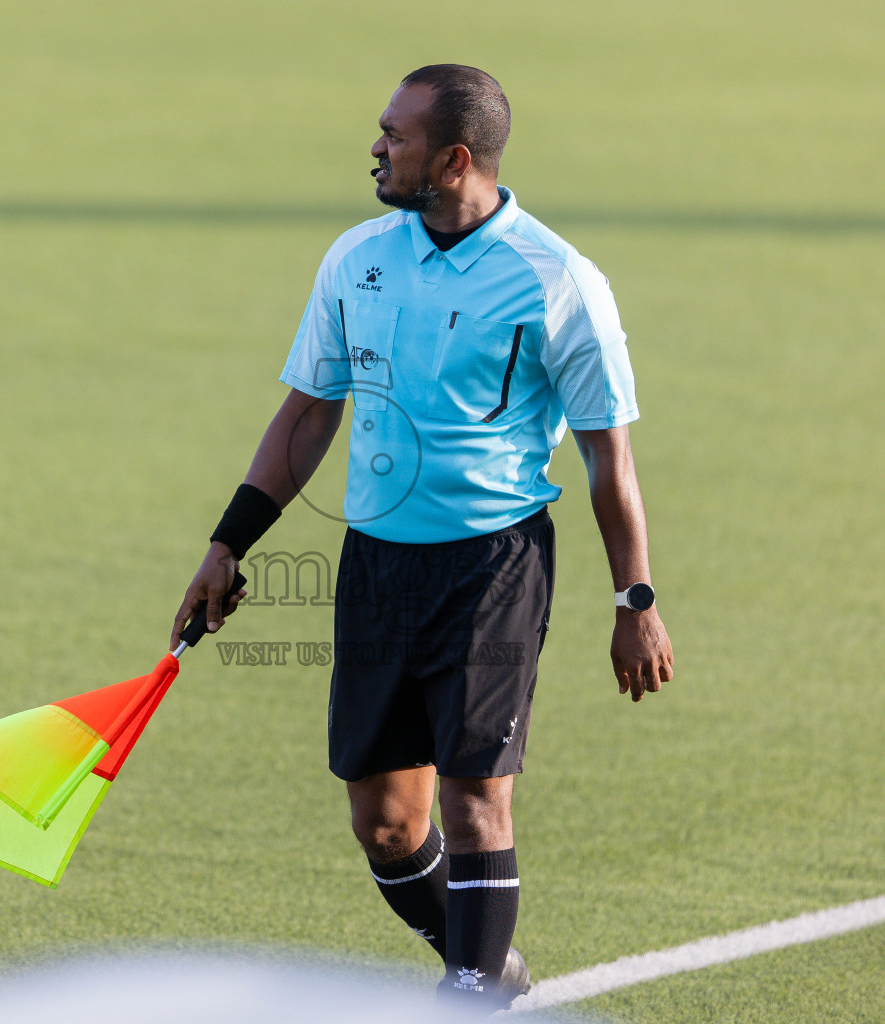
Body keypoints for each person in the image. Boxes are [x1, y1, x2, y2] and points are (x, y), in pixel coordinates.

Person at [171, 64, 674, 1013]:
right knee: (387, 824)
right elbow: (310, 413)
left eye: (394, 136)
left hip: (492, 566)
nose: (375, 147)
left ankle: (471, 993)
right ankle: (487, 971)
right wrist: (229, 543)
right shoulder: (357, 257)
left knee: (475, 802)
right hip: (375, 567)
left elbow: (613, 457)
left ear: (453, 159)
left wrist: (633, 599)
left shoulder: (559, 280)